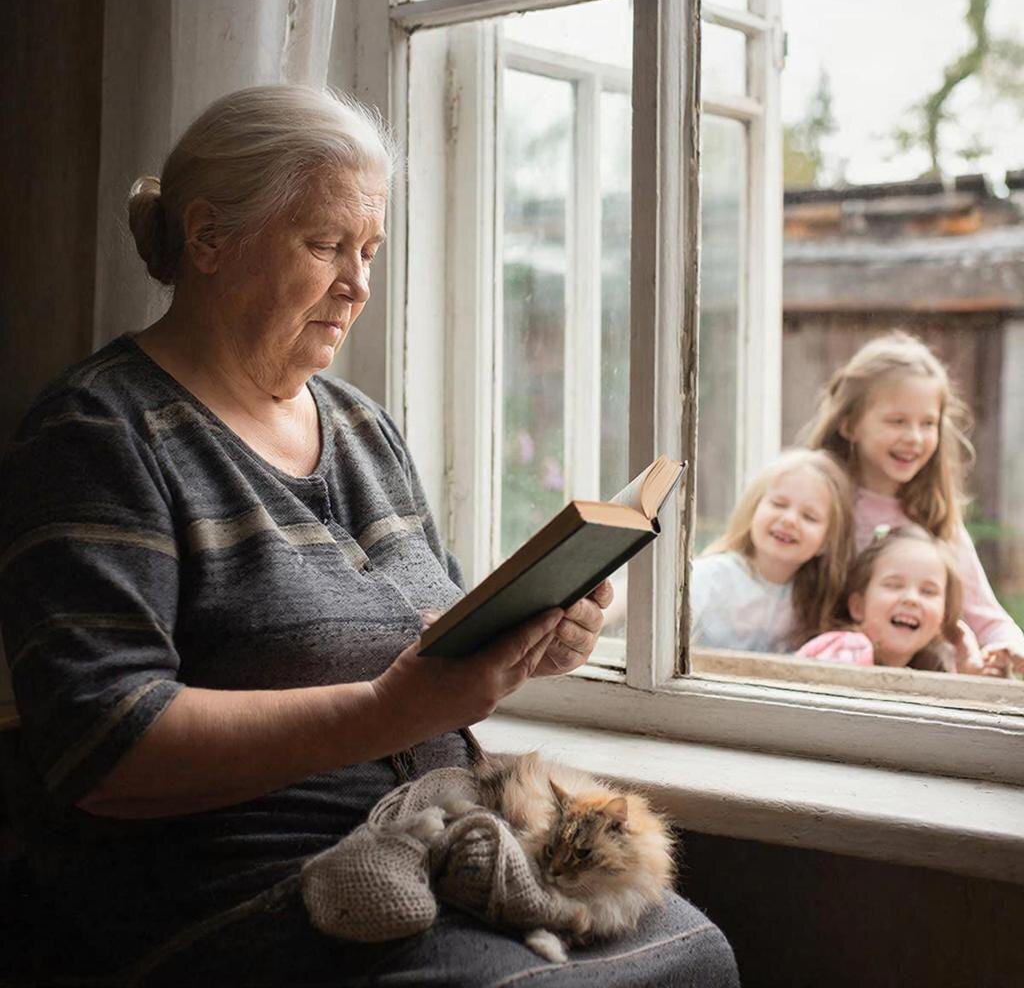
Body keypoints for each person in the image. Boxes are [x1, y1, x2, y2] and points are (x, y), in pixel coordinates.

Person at [0, 86, 737, 986]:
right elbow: (99, 743)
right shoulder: (97, 431)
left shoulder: (361, 427)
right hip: (241, 887)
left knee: (696, 958)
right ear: (207, 239)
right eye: (325, 245)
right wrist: (392, 711)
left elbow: (433, 640)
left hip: (446, 839)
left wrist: (536, 637)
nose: (358, 285)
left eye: (370, 252)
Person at [801, 331, 1024, 677]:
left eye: (928, 424)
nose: (914, 438)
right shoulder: (820, 504)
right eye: (897, 421)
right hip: (827, 679)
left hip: (920, 691)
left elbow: (987, 618)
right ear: (849, 424)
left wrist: (1009, 646)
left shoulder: (935, 520)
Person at [690, 449, 855, 653]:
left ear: (827, 542)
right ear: (753, 509)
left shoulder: (814, 604)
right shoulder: (708, 578)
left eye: (809, 517)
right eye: (778, 504)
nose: (789, 520)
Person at [796, 525, 972, 670]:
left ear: (943, 618)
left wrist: (965, 669)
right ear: (858, 607)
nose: (911, 598)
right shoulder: (847, 649)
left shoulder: (926, 671)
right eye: (894, 585)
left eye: (928, 591)